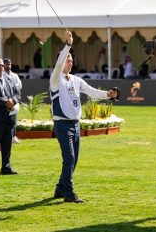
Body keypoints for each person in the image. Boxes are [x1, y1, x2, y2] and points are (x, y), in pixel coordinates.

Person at [50, 31, 117, 203]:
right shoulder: (55, 79)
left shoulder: (76, 80)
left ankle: (60, 188)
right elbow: (58, 65)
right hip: (62, 125)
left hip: (75, 125)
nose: (70, 63)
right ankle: (69, 194)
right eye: (67, 60)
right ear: (61, 61)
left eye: (72, 61)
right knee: (69, 158)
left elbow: (92, 92)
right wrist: (68, 45)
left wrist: (107, 94)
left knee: (74, 160)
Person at [3, 58, 22, 144]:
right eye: (7, 64)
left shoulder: (14, 75)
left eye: (10, 64)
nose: (9, 66)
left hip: (14, 98)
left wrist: (13, 99)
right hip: (5, 100)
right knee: (5, 119)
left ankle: (13, 136)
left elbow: (19, 86)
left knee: (13, 120)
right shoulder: (1, 75)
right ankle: (6, 137)